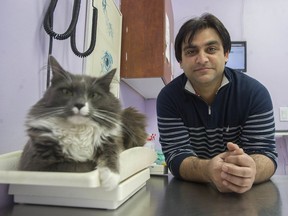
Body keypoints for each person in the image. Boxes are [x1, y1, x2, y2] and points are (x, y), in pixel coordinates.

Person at [156, 13, 278, 194]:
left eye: (211, 49)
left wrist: (251, 170)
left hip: (246, 196)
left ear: (226, 54)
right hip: (192, 196)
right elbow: (176, 156)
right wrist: (208, 170)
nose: (202, 59)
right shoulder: (168, 98)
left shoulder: (255, 94)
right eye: (191, 52)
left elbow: (266, 154)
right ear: (180, 61)